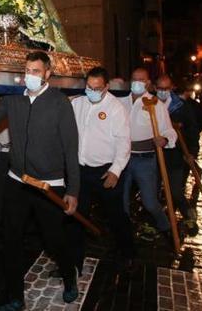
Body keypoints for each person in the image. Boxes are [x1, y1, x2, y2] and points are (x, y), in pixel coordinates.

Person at [0, 51, 80, 310]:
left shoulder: (59, 103)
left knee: (54, 239)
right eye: (27, 71)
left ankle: (70, 277)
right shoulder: (14, 100)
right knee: (10, 239)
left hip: (49, 185)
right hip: (17, 181)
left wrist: (73, 189)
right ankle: (15, 298)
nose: (30, 76)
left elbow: (71, 148)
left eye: (36, 71)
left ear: (47, 73)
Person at [68, 66, 134, 269]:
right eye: (88, 87)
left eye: (96, 88)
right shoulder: (77, 103)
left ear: (106, 87)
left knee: (115, 215)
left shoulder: (116, 108)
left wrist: (116, 170)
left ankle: (127, 252)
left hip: (106, 170)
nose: (92, 91)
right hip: (81, 171)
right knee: (77, 216)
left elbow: (124, 141)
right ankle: (74, 262)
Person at [120, 68, 178, 242]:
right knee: (120, 199)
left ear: (148, 83)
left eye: (142, 79)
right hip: (121, 158)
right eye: (134, 79)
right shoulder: (120, 102)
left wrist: (165, 140)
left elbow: (168, 130)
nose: (137, 82)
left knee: (149, 201)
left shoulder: (154, 104)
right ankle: (124, 231)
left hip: (144, 159)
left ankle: (165, 225)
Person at [155, 75, 197, 230]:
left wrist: (192, 152)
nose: (162, 92)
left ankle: (188, 215)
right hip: (156, 153)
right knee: (154, 191)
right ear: (154, 87)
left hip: (176, 153)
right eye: (159, 88)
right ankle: (159, 221)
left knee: (175, 190)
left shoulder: (181, 106)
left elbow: (193, 130)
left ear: (171, 88)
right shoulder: (150, 104)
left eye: (166, 89)